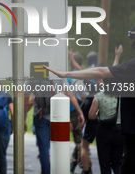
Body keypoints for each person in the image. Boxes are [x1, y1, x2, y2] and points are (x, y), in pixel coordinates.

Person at [43, 25, 135, 174]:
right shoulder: (118, 88)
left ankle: (84, 168)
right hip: (120, 132)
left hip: (118, 131)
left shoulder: (99, 91)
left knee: (106, 161)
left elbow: (100, 72)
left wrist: (66, 73)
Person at [24, 79, 84, 174]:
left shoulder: (32, 75)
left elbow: (26, 98)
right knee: (58, 147)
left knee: (44, 150)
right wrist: (79, 112)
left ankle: (46, 171)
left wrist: (24, 118)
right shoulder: (57, 74)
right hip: (57, 117)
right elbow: (69, 95)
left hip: (40, 117)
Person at [88, 89, 124, 174]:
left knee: (104, 163)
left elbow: (91, 115)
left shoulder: (99, 96)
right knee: (118, 163)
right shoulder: (123, 95)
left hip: (103, 131)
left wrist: (99, 116)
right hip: (119, 131)